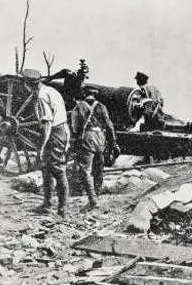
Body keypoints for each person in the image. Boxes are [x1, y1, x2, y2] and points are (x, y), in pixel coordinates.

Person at [23, 68, 70, 218]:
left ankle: (62, 210)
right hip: (62, 130)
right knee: (47, 170)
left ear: (29, 84)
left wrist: (41, 147)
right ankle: (47, 205)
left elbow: (47, 124)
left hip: (53, 134)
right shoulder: (52, 91)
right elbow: (63, 116)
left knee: (57, 170)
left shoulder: (41, 97)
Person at [70, 86, 120, 210]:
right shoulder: (102, 106)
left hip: (87, 138)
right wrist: (114, 142)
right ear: (95, 94)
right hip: (100, 138)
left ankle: (93, 200)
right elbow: (109, 125)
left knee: (85, 170)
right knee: (99, 169)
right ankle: (96, 196)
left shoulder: (79, 106)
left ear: (84, 93)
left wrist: (76, 139)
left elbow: (75, 127)